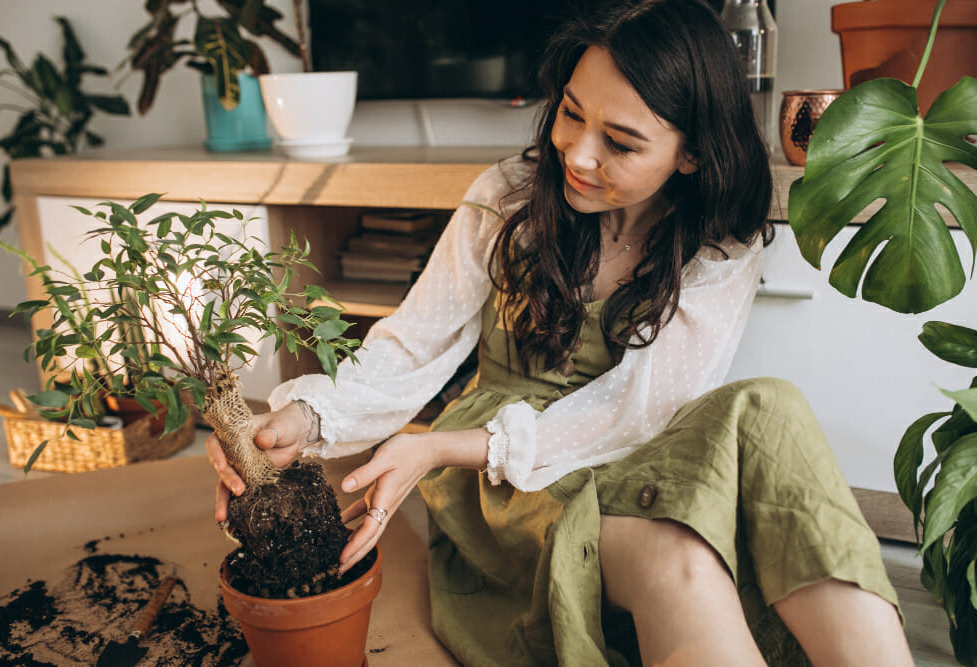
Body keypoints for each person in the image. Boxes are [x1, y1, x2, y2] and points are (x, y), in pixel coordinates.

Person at [209, 0, 914, 664]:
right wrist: (305, 414)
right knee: (681, 559)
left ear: (691, 154)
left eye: (621, 142)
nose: (577, 153)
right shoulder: (509, 196)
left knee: (772, 406)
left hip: (633, 446)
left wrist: (434, 445)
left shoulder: (717, 241)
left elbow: (640, 409)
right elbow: (411, 348)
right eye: (572, 114)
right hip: (513, 480)